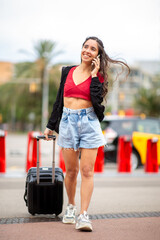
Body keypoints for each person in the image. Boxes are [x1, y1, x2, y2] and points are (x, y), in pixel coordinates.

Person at [44, 36, 130, 231]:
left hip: (89, 122)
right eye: (86, 46)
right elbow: (59, 100)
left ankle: (83, 215)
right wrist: (50, 125)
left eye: (93, 49)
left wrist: (93, 76)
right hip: (67, 121)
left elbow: (97, 104)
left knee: (87, 171)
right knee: (71, 171)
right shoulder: (67, 71)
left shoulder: (98, 77)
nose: (87, 51)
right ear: (81, 48)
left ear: (97, 55)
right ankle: (71, 207)